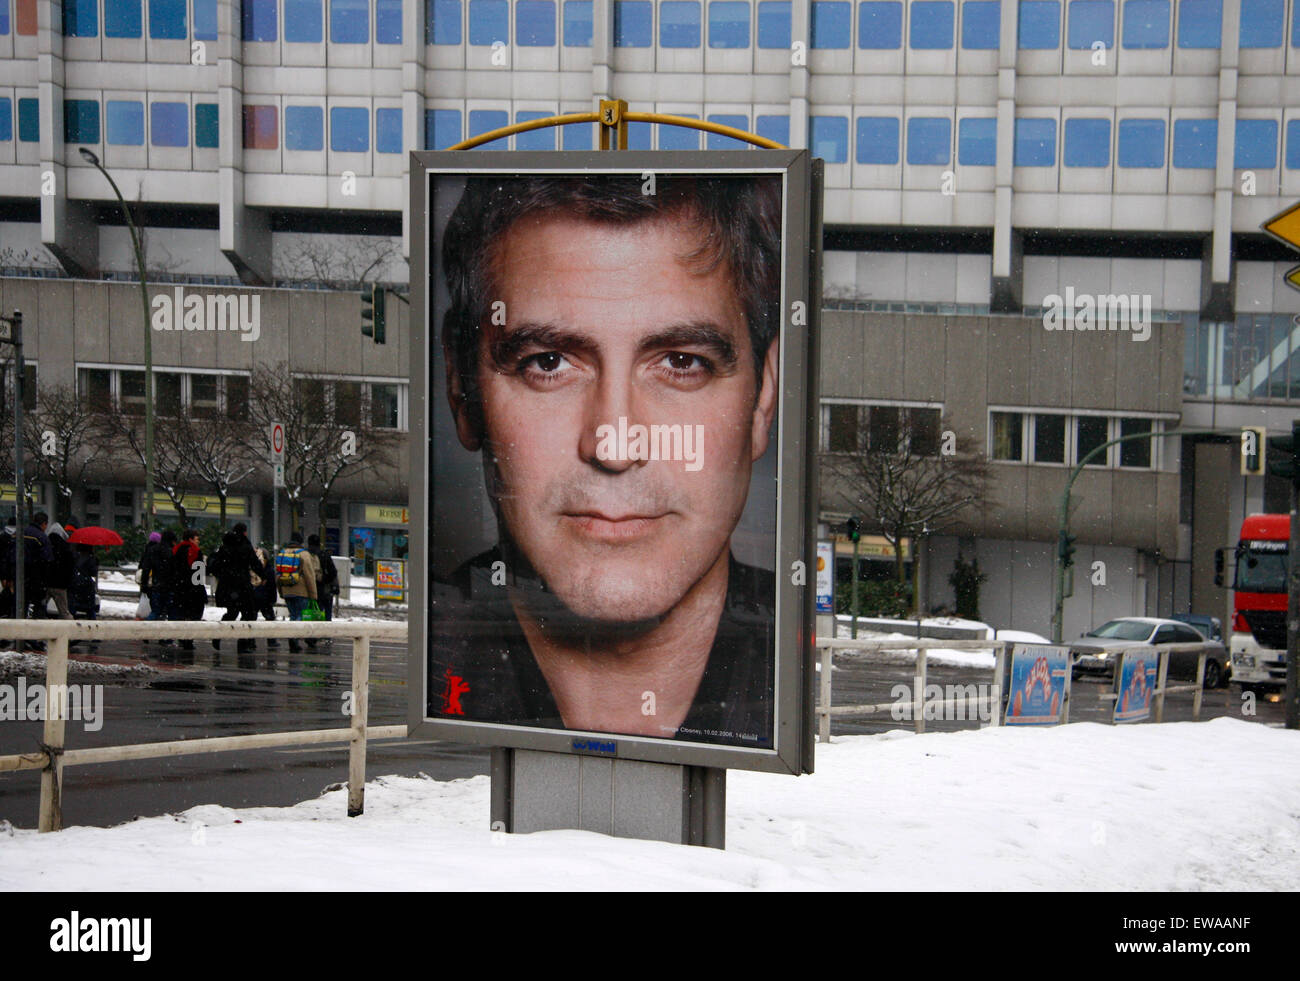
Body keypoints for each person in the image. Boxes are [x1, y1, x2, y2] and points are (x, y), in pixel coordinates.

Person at [431, 174, 781, 746]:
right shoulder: (425, 675)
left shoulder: (796, 676)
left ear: (762, 397)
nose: (615, 446)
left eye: (681, 362)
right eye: (547, 363)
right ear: (461, 386)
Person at [210, 526, 259, 654]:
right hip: (241, 586)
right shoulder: (244, 546)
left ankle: (218, 636)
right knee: (248, 613)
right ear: (243, 532)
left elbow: (215, 566)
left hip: (228, 587)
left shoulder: (224, 548)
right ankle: (242, 644)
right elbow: (254, 562)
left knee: (232, 613)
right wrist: (263, 575)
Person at [275, 530, 318, 653]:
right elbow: (310, 576)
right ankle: (293, 638)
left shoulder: (283, 553)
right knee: (300, 615)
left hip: (287, 589)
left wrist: (281, 591)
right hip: (301, 591)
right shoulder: (304, 554)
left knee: (293, 615)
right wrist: (313, 594)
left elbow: (278, 574)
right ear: (301, 541)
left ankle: (292, 640)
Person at [168, 528, 206, 651]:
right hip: (192, 590)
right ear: (191, 539)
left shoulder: (176, 550)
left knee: (182, 614)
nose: (198, 541)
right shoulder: (196, 552)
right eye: (196, 538)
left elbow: (172, 570)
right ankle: (188, 640)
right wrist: (200, 591)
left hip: (179, 589)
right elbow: (198, 574)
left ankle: (182, 637)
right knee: (194, 615)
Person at [305, 534, 339, 648]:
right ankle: (326, 635)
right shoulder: (324, 555)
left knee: (314, 613)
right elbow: (333, 572)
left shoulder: (306, 555)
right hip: (325, 590)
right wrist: (325, 580)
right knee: (327, 614)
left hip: (312, 590)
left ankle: (312, 637)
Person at [22, 512, 54, 620]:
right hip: (36, 579)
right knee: (37, 607)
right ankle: (33, 633)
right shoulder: (42, 538)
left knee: (20, 605)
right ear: (44, 524)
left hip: (19, 577)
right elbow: (47, 560)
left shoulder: (19, 533)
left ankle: (16, 630)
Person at [251, 542, 280, 648]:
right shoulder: (269, 570)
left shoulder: (253, 569)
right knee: (270, 620)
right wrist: (272, 600)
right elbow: (272, 587)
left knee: (252, 619)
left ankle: (250, 642)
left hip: (254, 596)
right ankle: (271, 641)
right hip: (265, 599)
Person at [45, 523, 75, 619]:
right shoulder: (66, 548)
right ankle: (71, 629)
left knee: (39, 608)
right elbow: (70, 567)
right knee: (64, 611)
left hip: (46, 582)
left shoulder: (45, 545)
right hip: (60, 584)